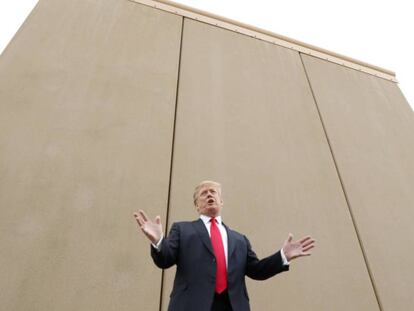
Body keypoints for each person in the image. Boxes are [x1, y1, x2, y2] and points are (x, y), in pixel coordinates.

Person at [134, 181, 315, 311]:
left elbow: (257, 270)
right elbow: (165, 259)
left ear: (221, 202)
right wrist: (158, 241)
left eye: (213, 192)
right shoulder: (182, 229)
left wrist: (282, 255)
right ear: (197, 205)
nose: (209, 195)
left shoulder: (240, 239)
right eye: (203, 193)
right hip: (191, 304)